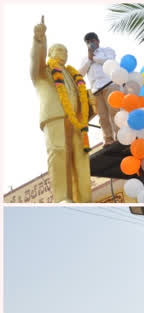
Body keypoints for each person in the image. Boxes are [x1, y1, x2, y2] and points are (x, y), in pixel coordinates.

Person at [31, 17, 92, 203]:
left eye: (66, 51)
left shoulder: (74, 75)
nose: (63, 53)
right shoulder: (43, 72)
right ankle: (62, 198)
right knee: (58, 153)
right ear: (50, 52)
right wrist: (39, 41)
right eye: (59, 49)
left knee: (81, 158)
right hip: (55, 117)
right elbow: (36, 59)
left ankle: (84, 199)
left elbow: (82, 94)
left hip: (77, 120)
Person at [79, 32, 120, 145]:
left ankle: (120, 136)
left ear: (98, 41)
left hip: (110, 85)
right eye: (88, 42)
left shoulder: (107, 50)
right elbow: (80, 73)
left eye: (92, 40)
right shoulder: (85, 58)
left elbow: (109, 61)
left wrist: (94, 58)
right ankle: (108, 140)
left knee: (114, 111)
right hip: (96, 91)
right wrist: (89, 58)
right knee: (102, 117)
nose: (90, 43)